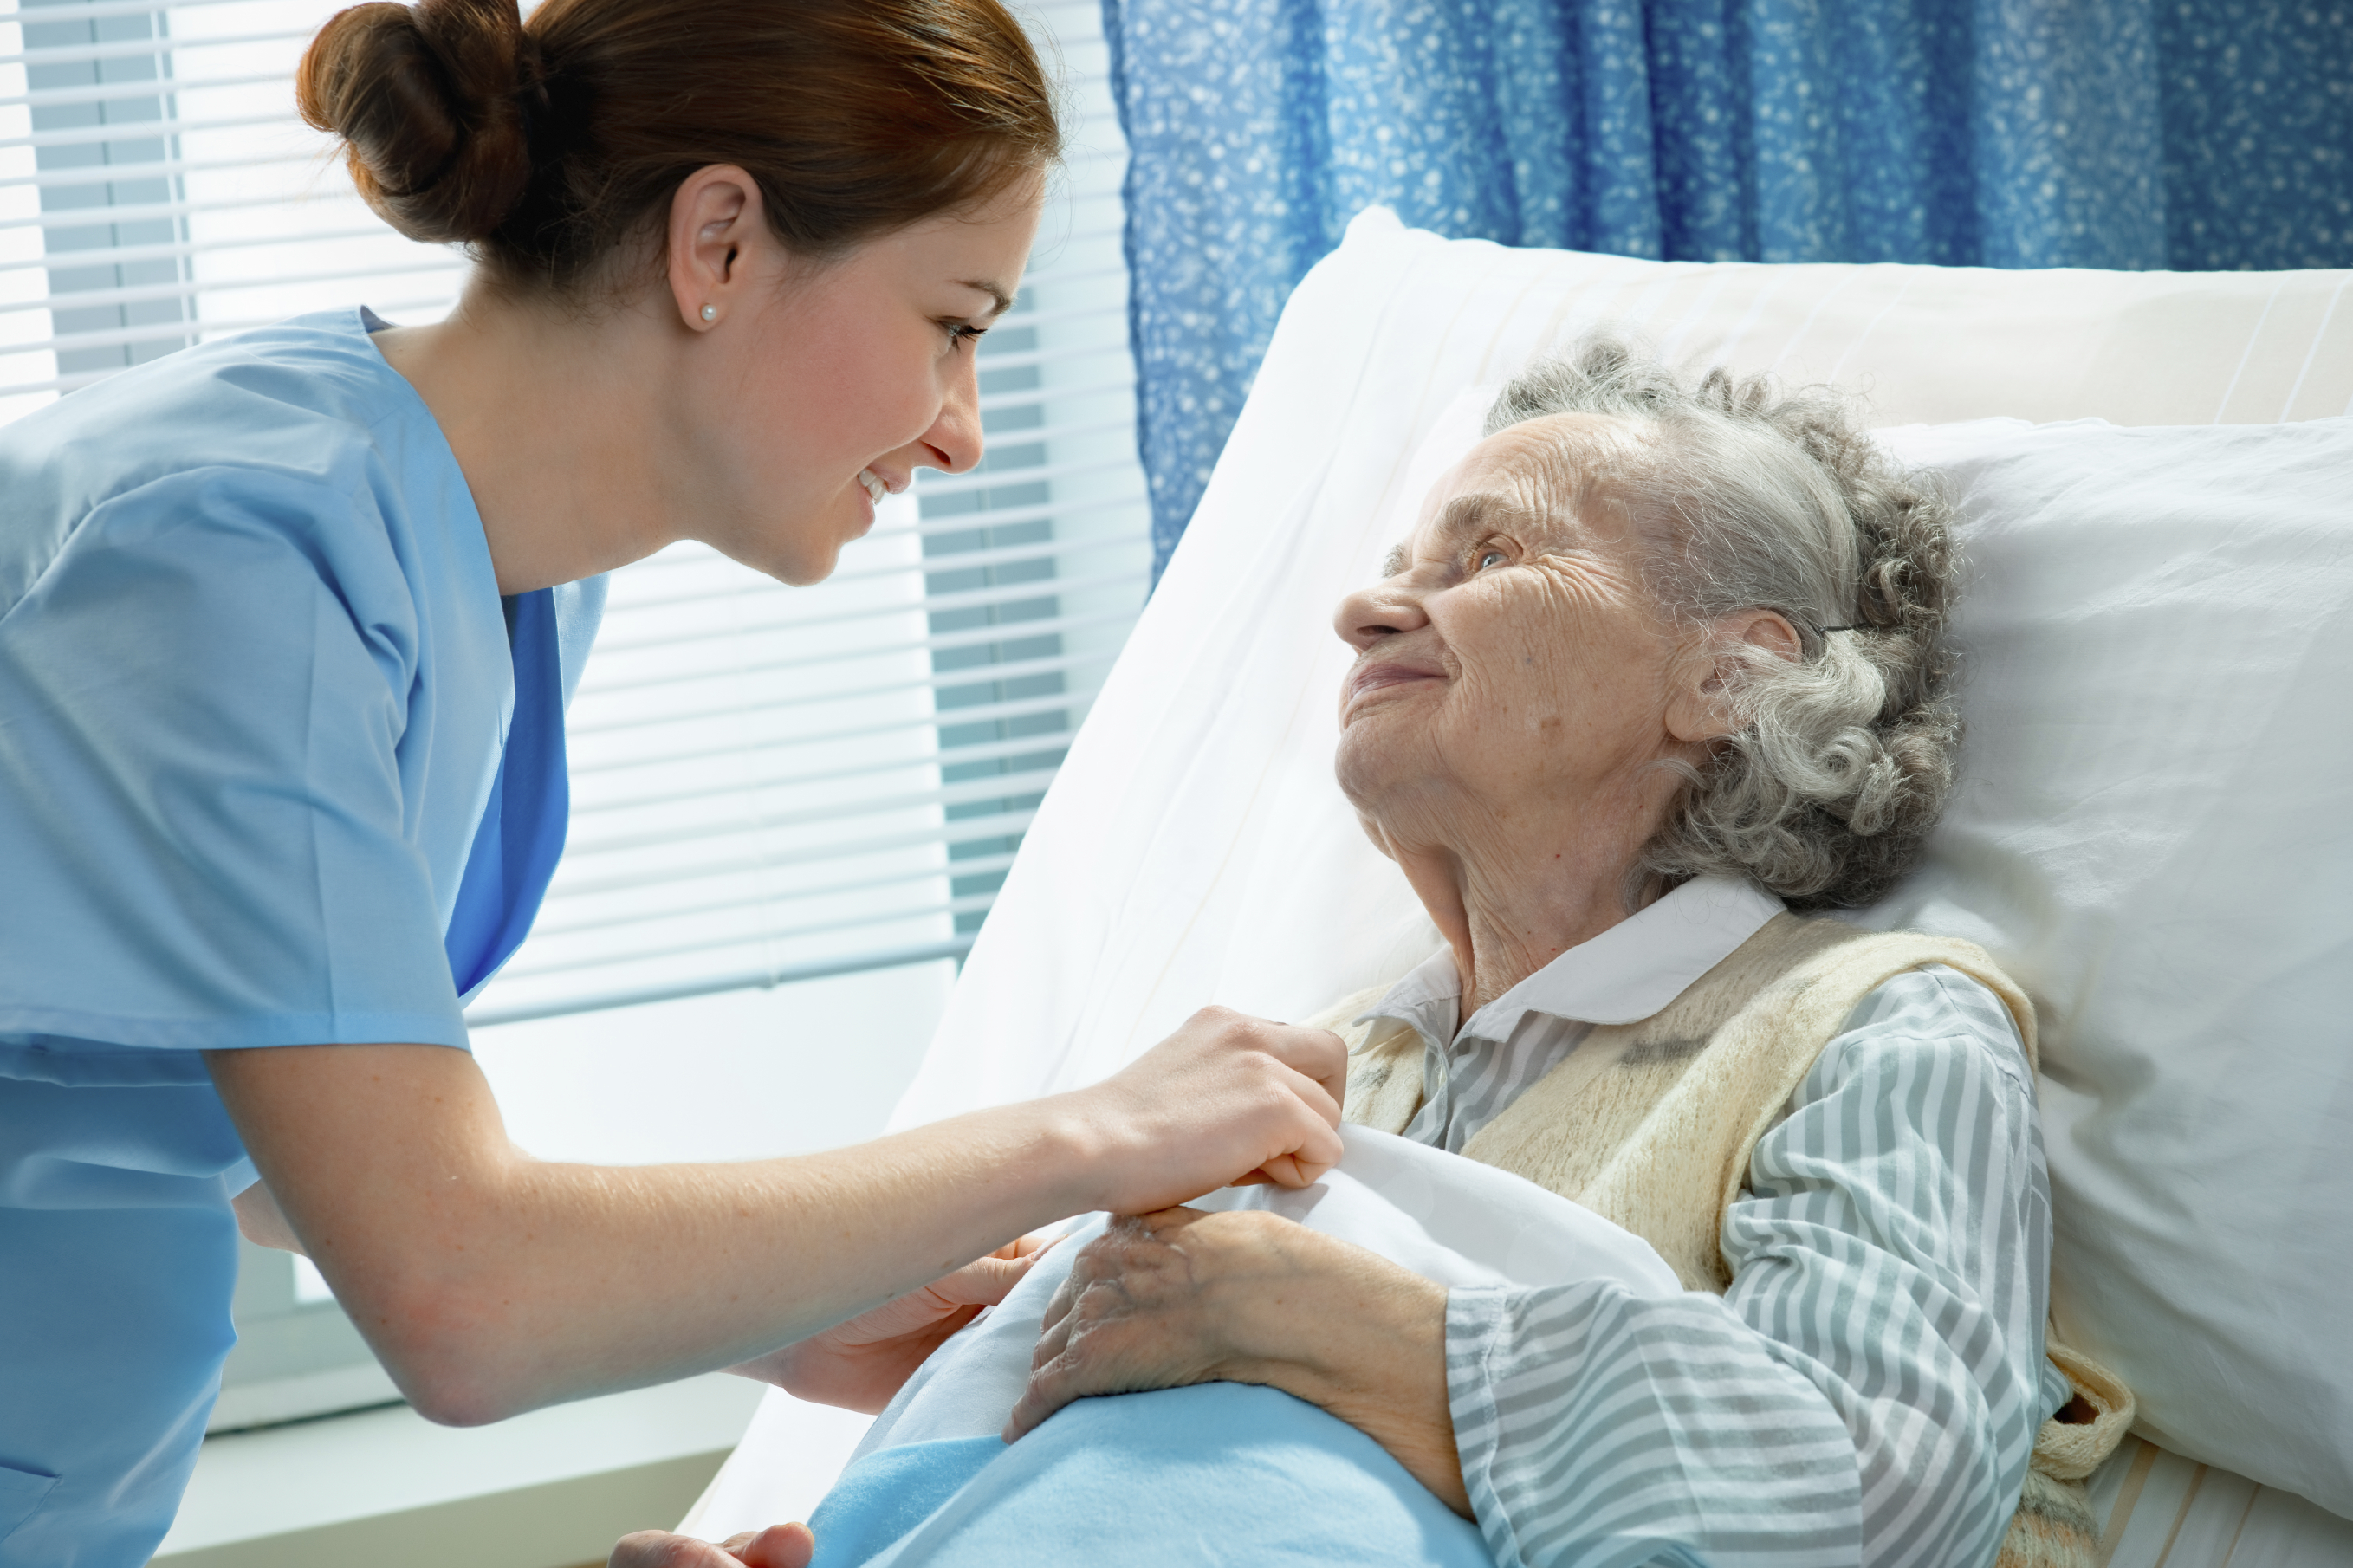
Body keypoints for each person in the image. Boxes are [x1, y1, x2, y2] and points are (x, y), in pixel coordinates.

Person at [0, 3, 1349, 1564]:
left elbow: (229, 1125)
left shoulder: (482, 563)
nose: (966, 432)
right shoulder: (240, 558)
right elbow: (461, 1303)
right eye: (956, 323)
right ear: (717, 244)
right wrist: (1091, 1133)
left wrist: (784, 1316)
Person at [622, 341, 2131, 1568]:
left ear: (1730, 675)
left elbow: (1876, 1491)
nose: (1361, 606)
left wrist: (1321, 1314)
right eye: (1404, 556)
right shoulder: (1328, 1064)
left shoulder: (1871, 1028)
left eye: (1489, 554)